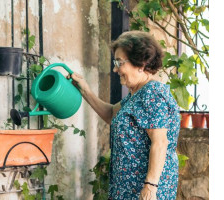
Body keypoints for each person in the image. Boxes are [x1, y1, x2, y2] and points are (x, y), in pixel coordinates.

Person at [69, 31, 180, 199]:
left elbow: (160, 142)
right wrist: (84, 89)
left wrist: (150, 186)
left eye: (119, 63)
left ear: (141, 64)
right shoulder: (136, 94)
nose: (115, 69)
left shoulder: (153, 94)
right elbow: (111, 113)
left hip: (143, 191)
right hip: (127, 187)